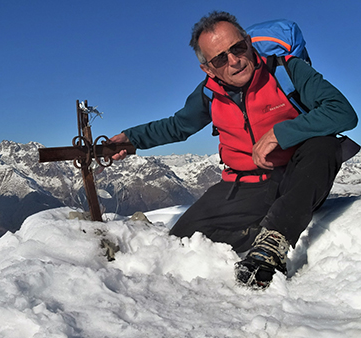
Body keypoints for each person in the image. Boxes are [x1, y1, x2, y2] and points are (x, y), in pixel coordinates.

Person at [109, 11, 358, 289]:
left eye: (238, 47)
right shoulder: (208, 93)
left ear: (248, 43)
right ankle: (260, 229)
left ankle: (273, 241)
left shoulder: (287, 70)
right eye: (220, 58)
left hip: (298, 179)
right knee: (181, 242)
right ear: (208, 68)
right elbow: (178, 126)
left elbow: (343, 113)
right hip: (245, 185)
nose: (234, 60)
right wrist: (131, 140)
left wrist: (280, 133)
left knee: (322, 143)